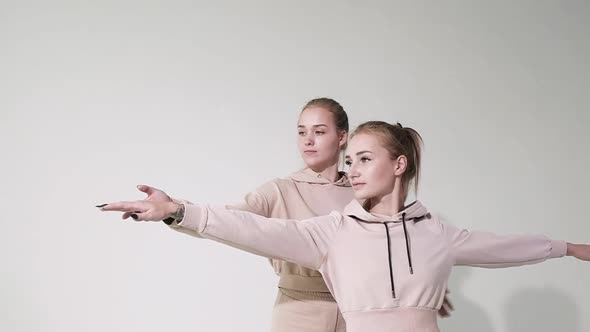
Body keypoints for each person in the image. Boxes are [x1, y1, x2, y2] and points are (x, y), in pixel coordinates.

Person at [106, 121, 578, 332]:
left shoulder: (436, 231)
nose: (351, 169)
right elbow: (250, 228)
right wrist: (177, 210)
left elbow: (502, 247)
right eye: (349, 161)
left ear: (399, 165)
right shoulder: (330, 231)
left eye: (364, 159)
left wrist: (569, 247)